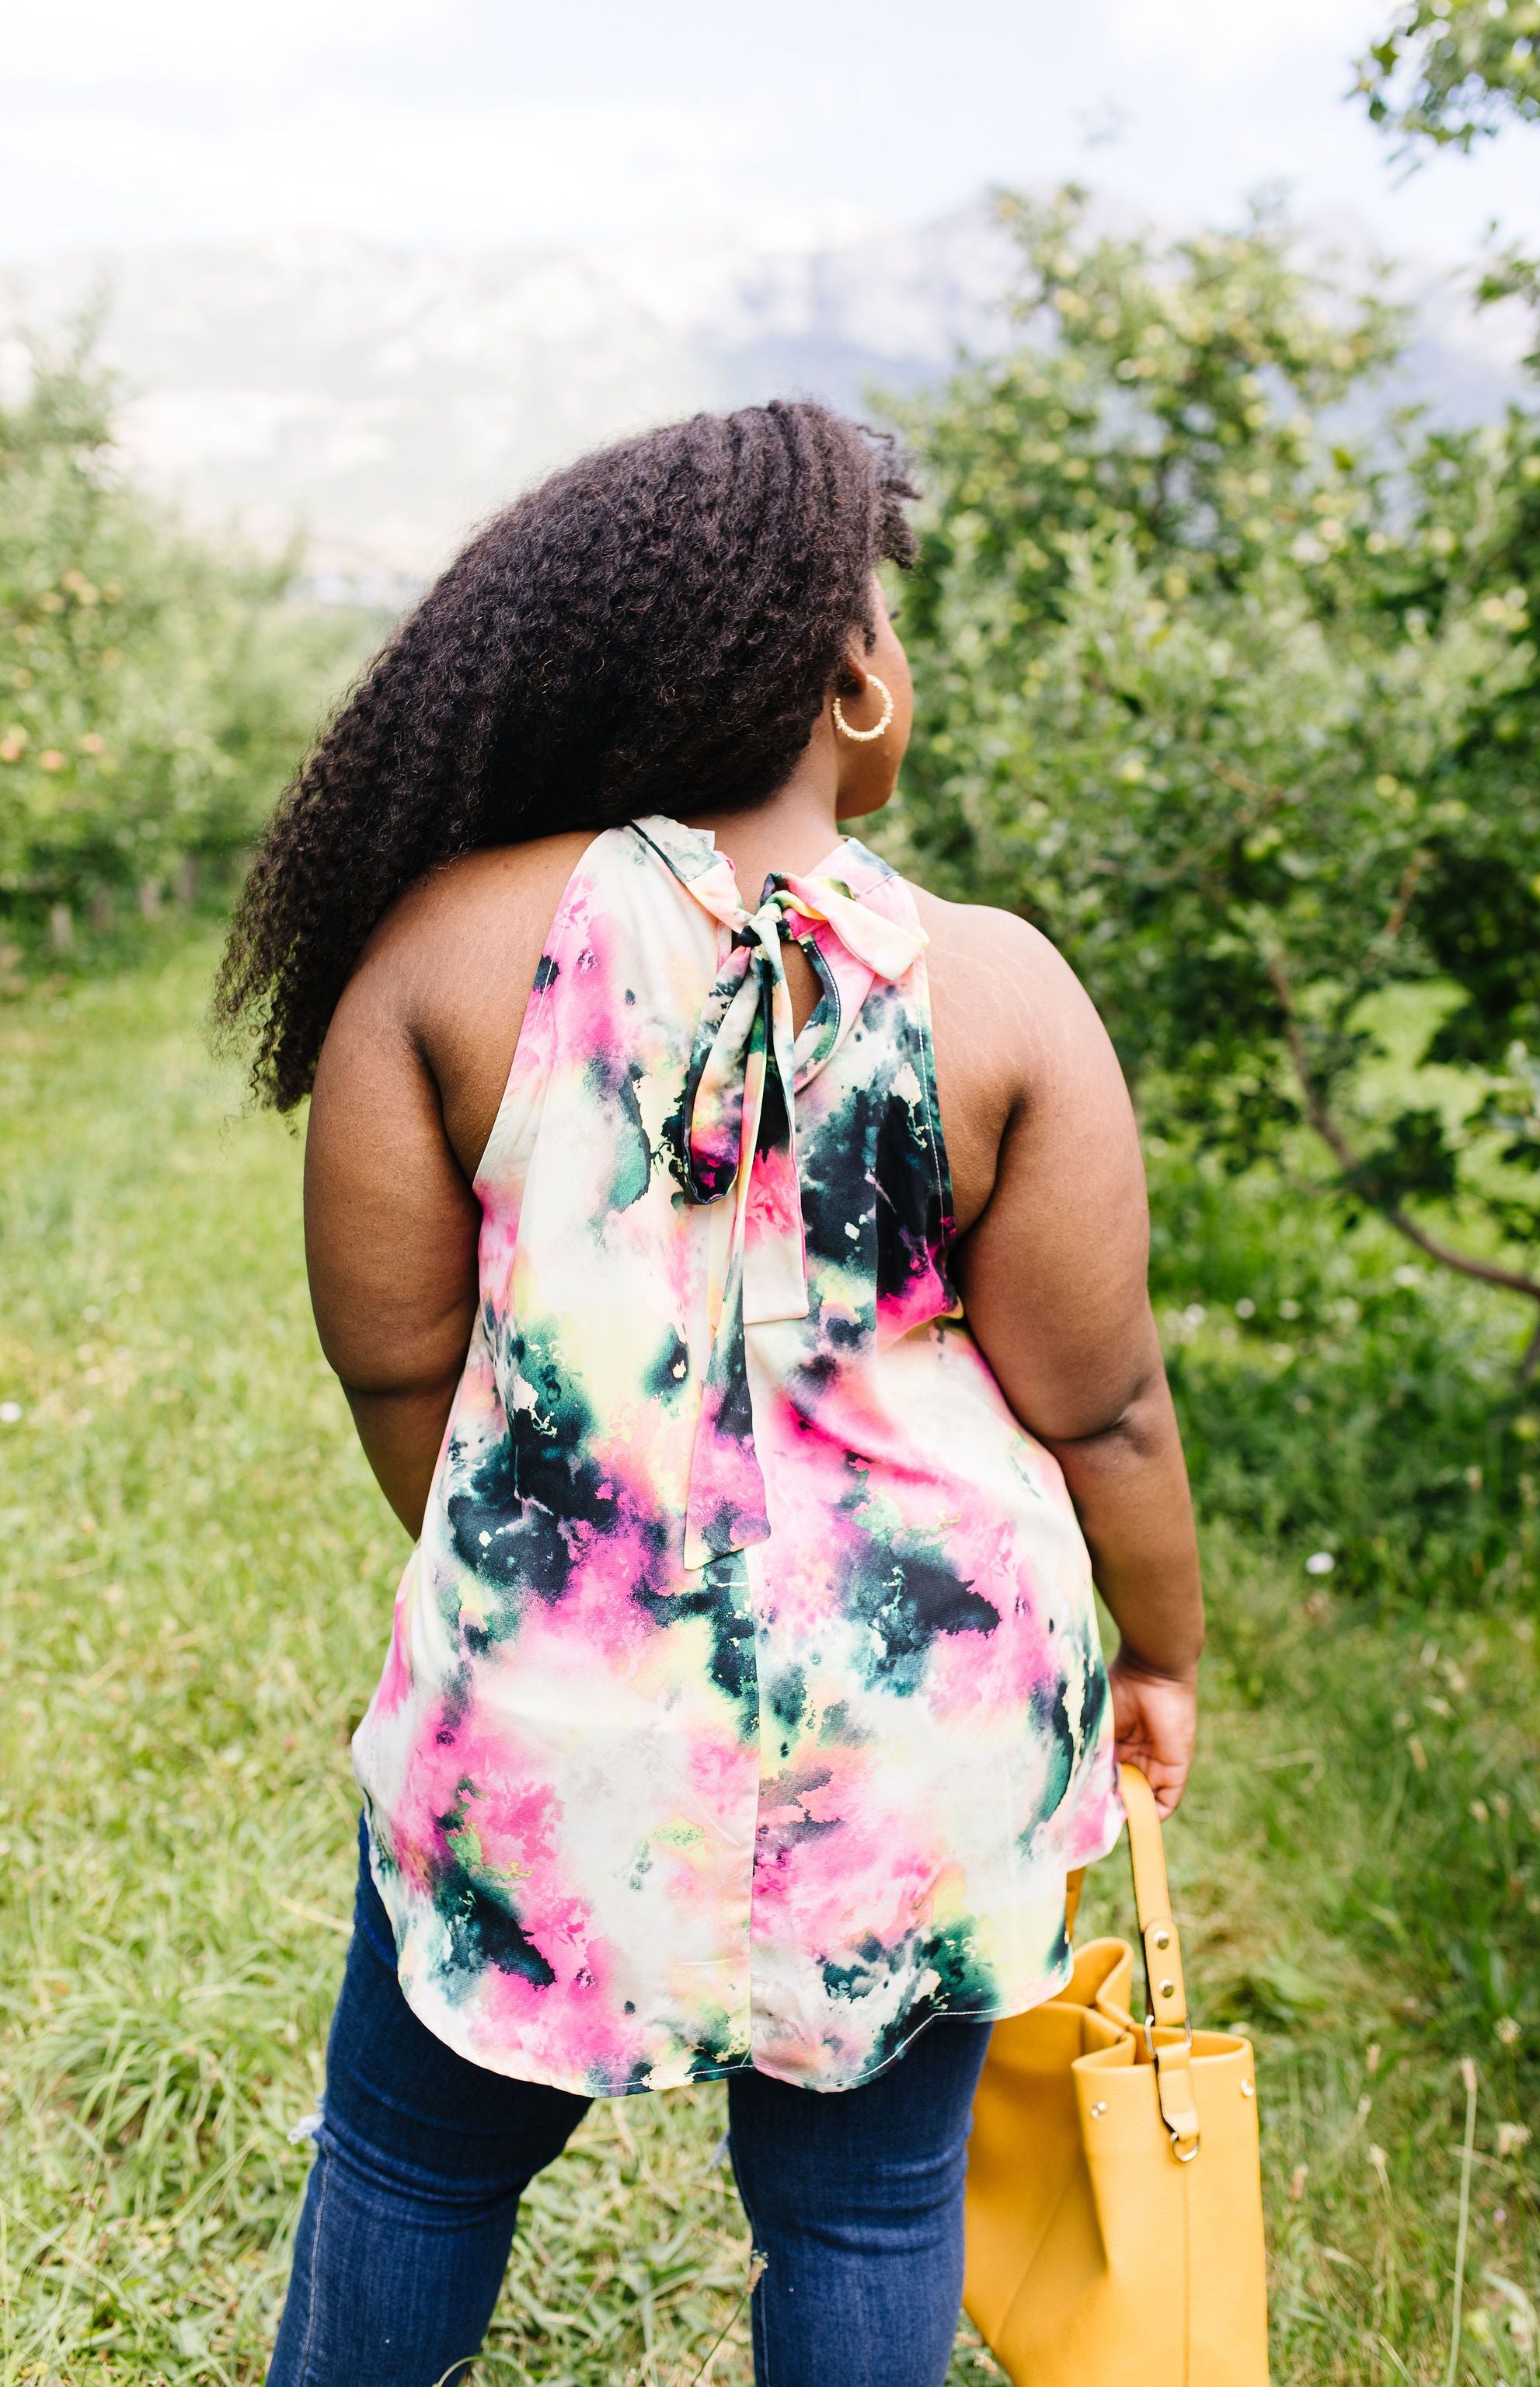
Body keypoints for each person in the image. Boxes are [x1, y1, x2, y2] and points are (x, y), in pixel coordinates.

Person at [216, 400, 1203, 2387]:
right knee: (866, 2210)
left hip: (546, 1719)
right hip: (917, 1732)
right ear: (853, 679)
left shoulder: (438, 956)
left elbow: (400, 1361)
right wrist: (1161, 1649)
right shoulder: (999, 988)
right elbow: (1102, 1409)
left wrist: (540, 1592)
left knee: (413, 2169)